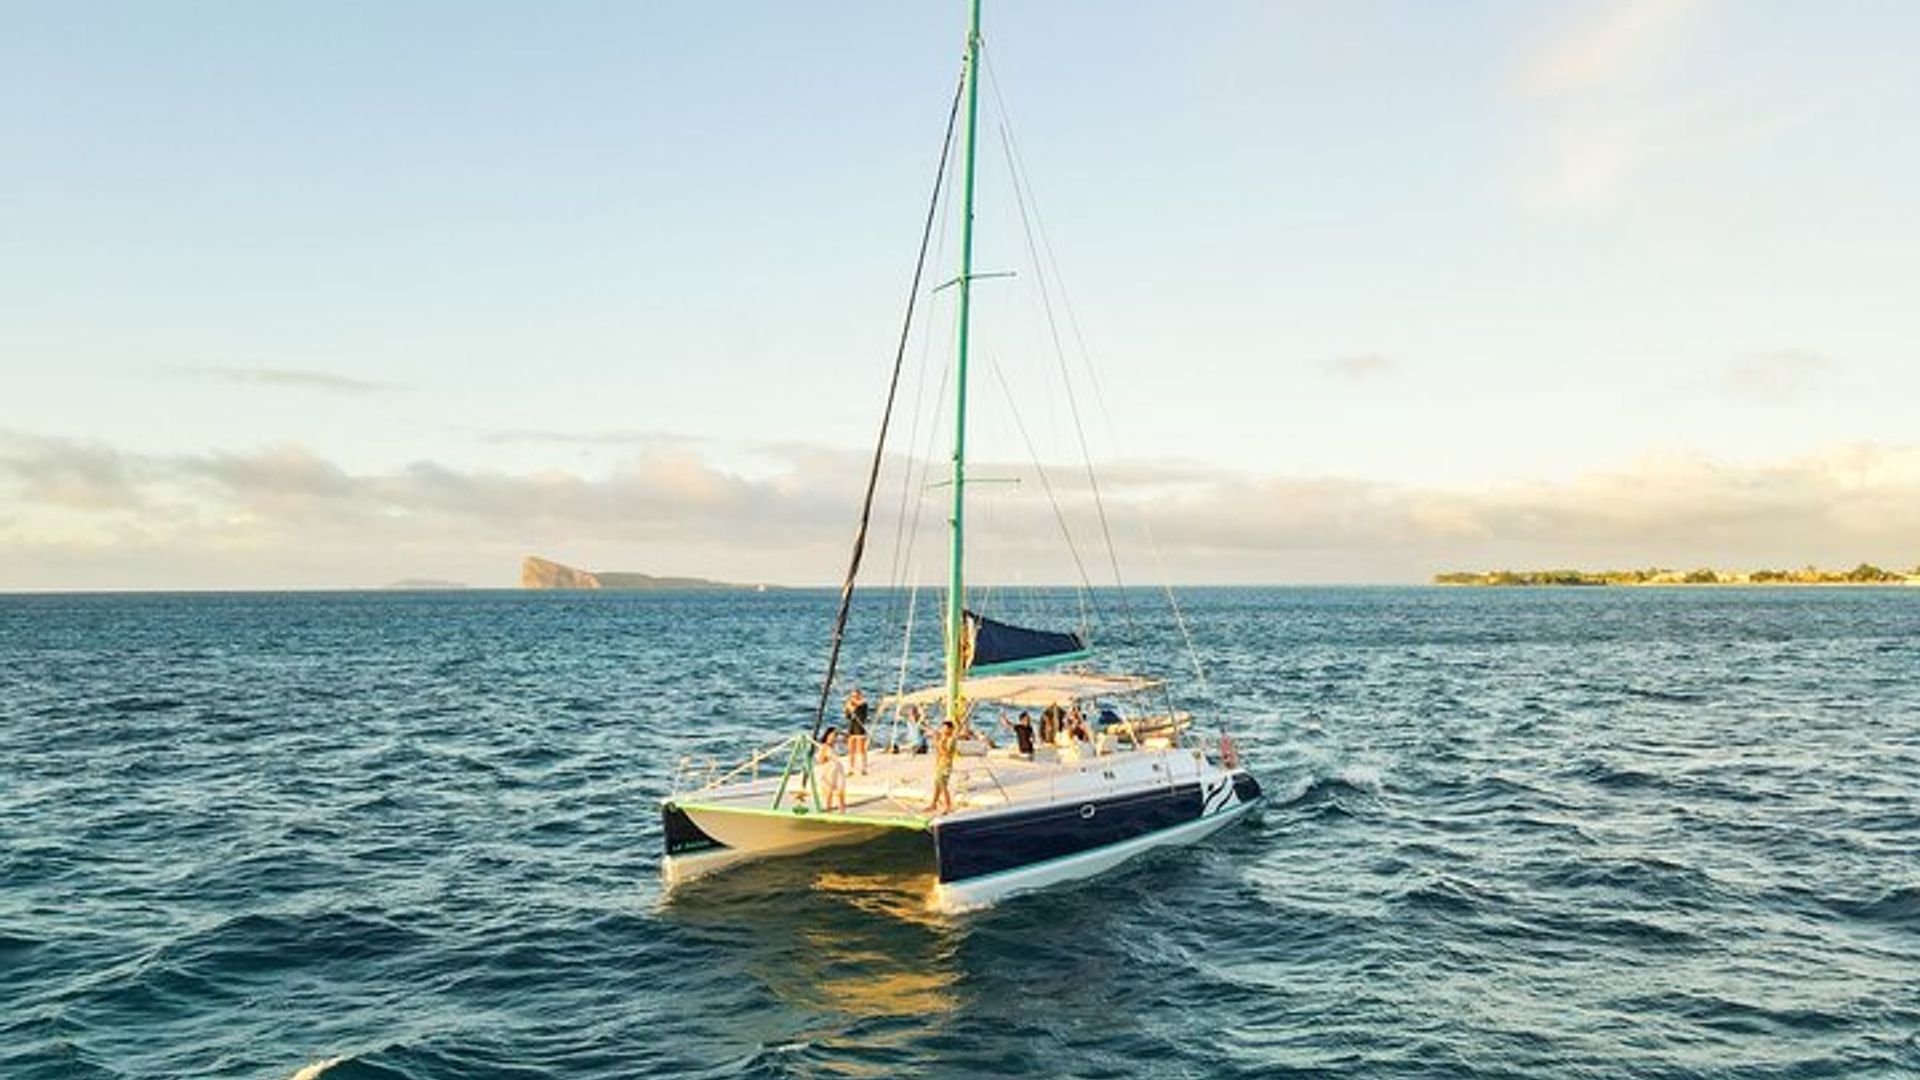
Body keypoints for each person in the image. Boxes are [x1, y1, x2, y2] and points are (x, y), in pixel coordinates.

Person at [923, 719, 958, 816]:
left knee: (943, 786)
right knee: (937, 785)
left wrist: (937, 741)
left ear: (951, 729)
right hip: (939, 765)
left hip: (946, 766)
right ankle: (933, 804)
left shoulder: (951, 739)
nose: (944, 730)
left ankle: (948, 806)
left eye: (946, 728)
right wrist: (935, 737)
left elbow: (945, 752)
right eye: (943, 728)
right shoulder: (943, 737)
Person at [817, 727, 849, 813]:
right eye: (832, 735)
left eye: (835, 736)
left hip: (838, 770)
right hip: (829, 771)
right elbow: (820, 760)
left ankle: (842, 811)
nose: (834, 737)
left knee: (841, 791)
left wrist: (841, 733)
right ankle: (829, 810)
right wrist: (827, 759)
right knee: (829, 793)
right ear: (827, 736)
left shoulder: (834, 745)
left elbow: (847, 739)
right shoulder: (824, 746)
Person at [843, 688, 871, 776]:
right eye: (852, 696)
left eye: (856, 696)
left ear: (860, 696)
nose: (854, 698)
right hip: (852, 728)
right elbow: (848, 717)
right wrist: (847, 709)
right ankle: (851, 768)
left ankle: (863, 767)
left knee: (861, 749)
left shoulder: (864, 705)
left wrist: (853, 707)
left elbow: (862, 717)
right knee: (851, 749)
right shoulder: (850, 705)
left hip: (859, 728)